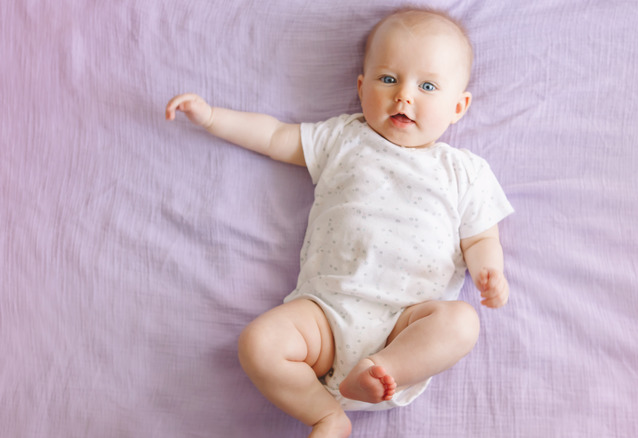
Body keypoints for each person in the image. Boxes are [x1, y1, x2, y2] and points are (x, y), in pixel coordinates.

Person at [165, 8, 513, 438]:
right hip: (327, 315)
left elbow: (481, 236)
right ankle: (326, 415)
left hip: (406, 321)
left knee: (462, 323)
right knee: (258, 343)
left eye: (427, 86)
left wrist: (487, 270)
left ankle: (383, 370)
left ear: (458, 106)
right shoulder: (344, 138)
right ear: (361, 87)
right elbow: (275, 137)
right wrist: (213, 118)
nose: (404, 96)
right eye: (388, 79)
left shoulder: (465, 171)